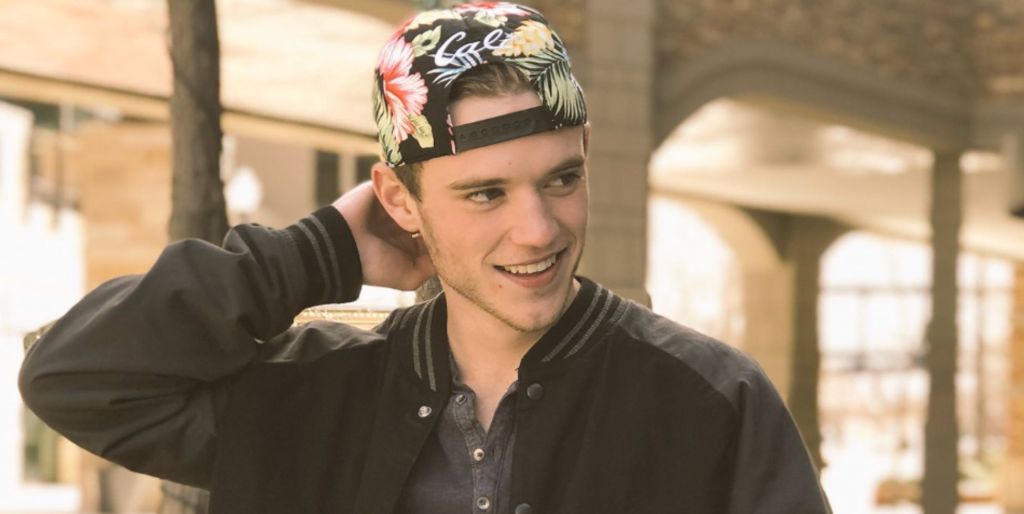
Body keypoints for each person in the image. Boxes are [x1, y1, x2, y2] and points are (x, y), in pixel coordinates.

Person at [20, 3, 832, 513]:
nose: (538, 230)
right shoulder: (306, 396)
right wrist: (317, 252)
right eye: (485, 195)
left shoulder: (711, 400)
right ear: (400, 201)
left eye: (562, 179)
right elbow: (75, 376)